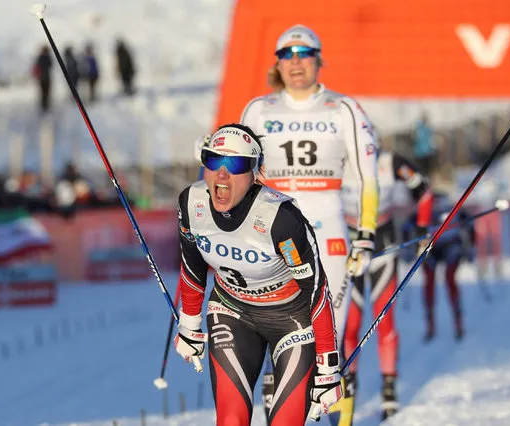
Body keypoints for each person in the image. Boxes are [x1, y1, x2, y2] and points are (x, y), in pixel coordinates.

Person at [239, 24, 380, 422]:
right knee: (274, 332)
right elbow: (237, 172)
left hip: (328, 231)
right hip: (268, 233)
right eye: (287, 55)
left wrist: (366, 235)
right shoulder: (258, 110)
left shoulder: (344, 108)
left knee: (328, 337)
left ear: (319, 61)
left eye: (305, 55)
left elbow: (368, 175)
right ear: (277, 65)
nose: (296, 63)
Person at [174, 123, 343, 426]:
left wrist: (328, 367)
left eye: (235, 164)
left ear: (254, 173)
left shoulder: (281, 219)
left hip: (291, 321)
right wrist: (189, 323)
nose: (222, 174)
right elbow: (193, 265)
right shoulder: (191, 203)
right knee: (231, 420)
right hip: (231, 311)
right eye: (214, 160)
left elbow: (316, 291)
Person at [341, 149, 434, 421]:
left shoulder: (391, 162)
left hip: (385, 248)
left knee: (385, 322)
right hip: (349, 251)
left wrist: (421, 230)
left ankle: (389, 391)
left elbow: (424, 191)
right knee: (350, 325)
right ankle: (347, 391)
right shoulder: (337, 159)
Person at [402, 193, 475, 342]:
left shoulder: (453, 208)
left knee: (450, 278)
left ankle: (458, 322)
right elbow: (407, 227)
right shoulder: (421, 209)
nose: (436, 205)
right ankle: (430, 325)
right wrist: (408, 251)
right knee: (429, 281)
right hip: (430, 248)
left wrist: (469, 249)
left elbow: (469, 225)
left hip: (450, 246)